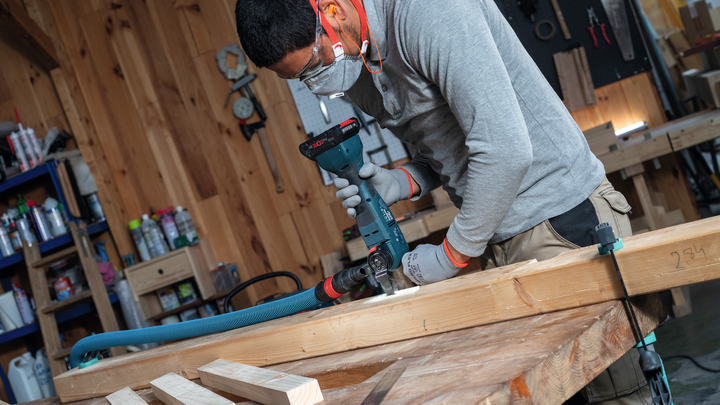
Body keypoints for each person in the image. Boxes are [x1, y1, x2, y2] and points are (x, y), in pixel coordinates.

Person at [234, 0, 654, 403]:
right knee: (545, 391)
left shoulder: (432, 12)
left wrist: (453, 253)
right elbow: (449, 142)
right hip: (497, 235)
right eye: (300, 79)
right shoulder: (352, 59)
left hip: (561, 218)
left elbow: (506, 150)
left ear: (332, 11)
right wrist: (400, 181)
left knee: (616, 393)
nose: (317, 82)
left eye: (313, 65)